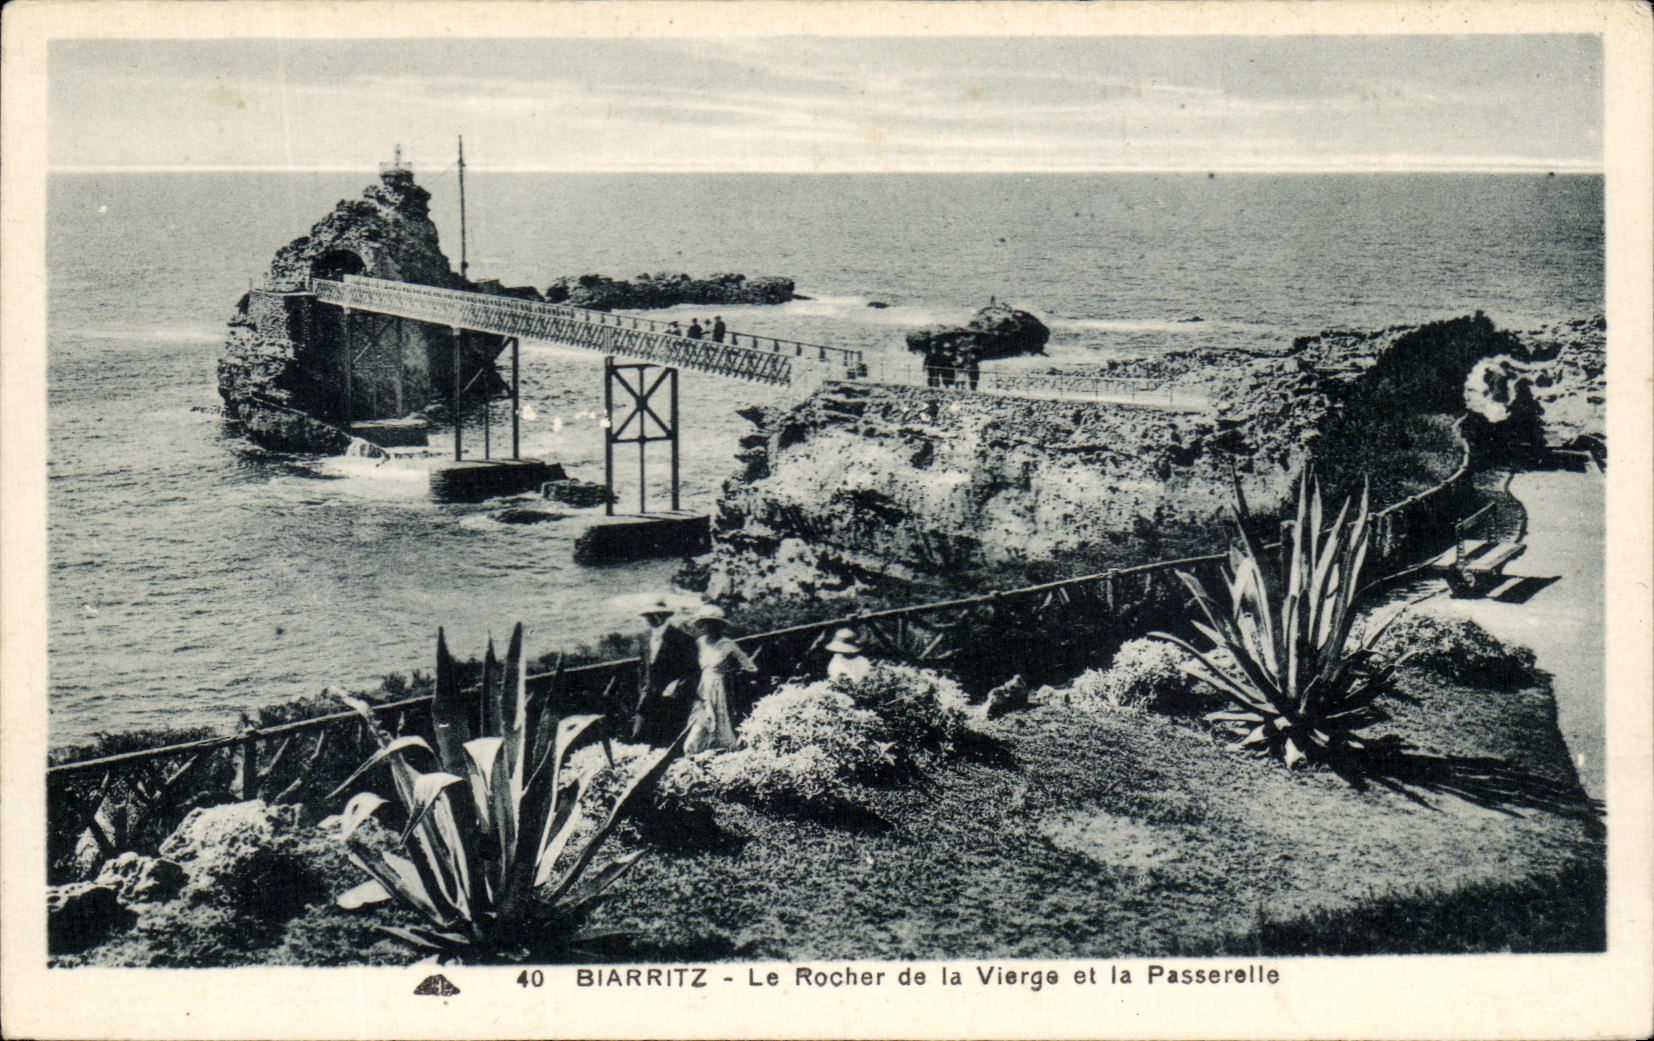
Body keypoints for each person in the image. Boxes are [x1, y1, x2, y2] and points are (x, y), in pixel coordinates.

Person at [685, 605, 754, 754]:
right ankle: (695, 753)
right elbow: (688, 665)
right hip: (702, 689)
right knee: (699, 725)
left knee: (722, 725)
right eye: (707, 623)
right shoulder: (699, 643)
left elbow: (749, 666)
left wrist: (732, 672)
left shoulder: (727, 644)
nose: (710, 627)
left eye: (714, 623)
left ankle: (725, 753)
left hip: (721, 689)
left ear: (720, 625)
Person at [630, 600, 700, 745]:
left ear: (661, 616)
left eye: (651, 616)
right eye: (647, 616)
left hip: (672, 695)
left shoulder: (682, 638)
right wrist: (643, 688)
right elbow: (643, 667)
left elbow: (692, 670)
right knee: (644, 732)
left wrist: (677, 685)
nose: (649, 620)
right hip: (650, 694)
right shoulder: (645, 638)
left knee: (670, 733)